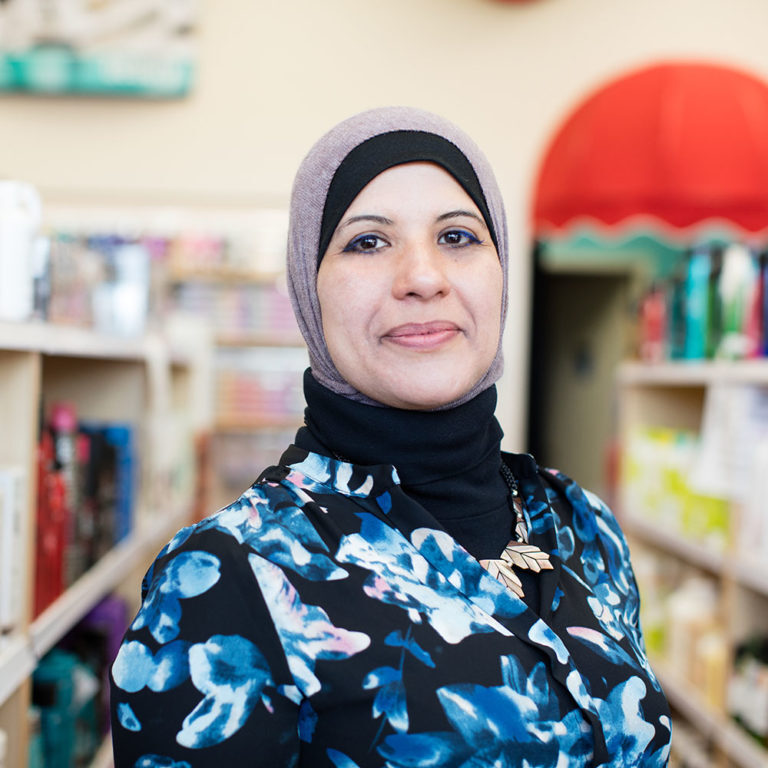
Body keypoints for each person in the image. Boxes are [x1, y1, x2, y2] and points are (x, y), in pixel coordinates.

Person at [110, 107, 671, 767]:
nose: (424, 277)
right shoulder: (229, 579)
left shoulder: (585, 527)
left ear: (501, 273)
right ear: (308, 290)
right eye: (368, 242)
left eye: (458, 237)